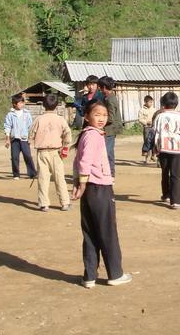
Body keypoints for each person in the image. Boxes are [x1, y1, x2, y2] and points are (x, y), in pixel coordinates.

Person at [72, 99, 132, 289]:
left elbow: (79, 161)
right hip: (98, 188)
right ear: (87, 116)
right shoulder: (93, 136)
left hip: (90, 188)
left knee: (90, 233)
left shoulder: (86, 135)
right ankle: (115, 274)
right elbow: (84, 162)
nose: (101, 118)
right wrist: (81, 184)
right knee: (107, 232)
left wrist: (79, 183)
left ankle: (89, 276)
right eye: (97, 114)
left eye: (104, 115)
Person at [30, 94, 73, 212]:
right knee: (59, 178)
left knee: (43, 179)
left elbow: (31, 135)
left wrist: (33, 141)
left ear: (43, 105)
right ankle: (65, 203)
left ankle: (44, 204)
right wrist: (65, 147)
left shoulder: (38, 119)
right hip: (56, 153)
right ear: (57, 105)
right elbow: (68, 134)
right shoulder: (60, 119)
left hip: (42, 152)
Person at [152, 92, 180, 209]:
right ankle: (176, 201)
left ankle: (166, 195)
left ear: (163, 103)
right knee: (175, 175)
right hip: (175, 149)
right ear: (176, 104)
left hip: (162, 148)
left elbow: (153, 132)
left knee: (164, 172)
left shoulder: (158, 116)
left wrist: (148, 148)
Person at [3, 94, 36, 180]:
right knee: (14, 157)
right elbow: (7, 126)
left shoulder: (26, 114)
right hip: (14, 139)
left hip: (24, 139)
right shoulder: (10, 115)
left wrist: (31, 138)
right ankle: (16, 174)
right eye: (20, 103)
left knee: (27, 156)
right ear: (14, 104)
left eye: (22, 102)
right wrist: (7, 139)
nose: (22, 104)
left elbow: (30, 126)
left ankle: (32, 173)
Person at [98, 77, 123, 176]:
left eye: (100, 87)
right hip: (110, 129)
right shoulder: (108, 97)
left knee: (106, 152)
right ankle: (111, 173)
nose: (99, 89)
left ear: (104, 87)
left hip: (110, 129)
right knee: (110, 152)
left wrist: (99, 123)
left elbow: (111, 118)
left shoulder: (110, 99)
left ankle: (107, 173)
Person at [138, 95, 156, 164]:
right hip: (147, 128)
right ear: (145, 102)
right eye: (150, 102)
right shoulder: (141, 110)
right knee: (147, 142)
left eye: (152, 102)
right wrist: (146, 122)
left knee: (154, 141)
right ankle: (147, 158)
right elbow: (140, 119)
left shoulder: (154, 109)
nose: (151, 103)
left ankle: (153, 155)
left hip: (153, 128)